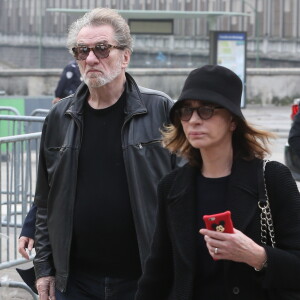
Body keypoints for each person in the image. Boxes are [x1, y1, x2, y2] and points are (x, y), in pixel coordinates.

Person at [20, 7, 179, 300]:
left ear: (125, 56)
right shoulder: (59, 116)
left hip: (143, 280)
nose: (91, 59)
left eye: (102, 49)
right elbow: (45, 202)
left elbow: (184, 197)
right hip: (76, 282)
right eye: (82, 51)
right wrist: (44, 268)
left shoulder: (161, 110)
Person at [135, 65, 300, 300]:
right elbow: (157, 273)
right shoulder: (171, 187)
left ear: (232, 121)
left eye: (206, 110)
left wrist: (257, 255)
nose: (193, 120)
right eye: (185, 111)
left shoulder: (272, 178)